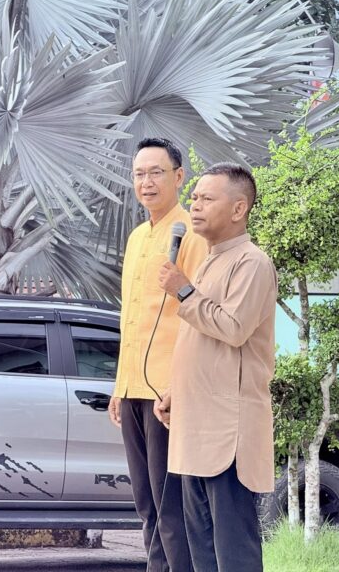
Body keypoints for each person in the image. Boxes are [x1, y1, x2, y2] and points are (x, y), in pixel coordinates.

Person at [156, 162, 277, 572]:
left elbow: (233, 327)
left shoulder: (251, 263)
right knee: (202, 556)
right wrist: (175, 391)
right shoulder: (209, 261)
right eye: (194, 198)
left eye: (207, 198)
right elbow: (201, 343)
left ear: (239, 209)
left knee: (233, 554)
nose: (195, 205)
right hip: (196, 429)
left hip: (228, 434)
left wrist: (183, 290)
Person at [109, 137, 206, 572]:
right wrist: (119, 386)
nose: (146, 183)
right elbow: (130, 318)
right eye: (139, 174)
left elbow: (198, 317)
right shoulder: (136, 238)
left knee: (171, 509)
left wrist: (179, 385)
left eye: (156, 173)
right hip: (133, 390)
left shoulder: (192, 235)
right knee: (146, 504)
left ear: (179, 177)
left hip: (167, 393)